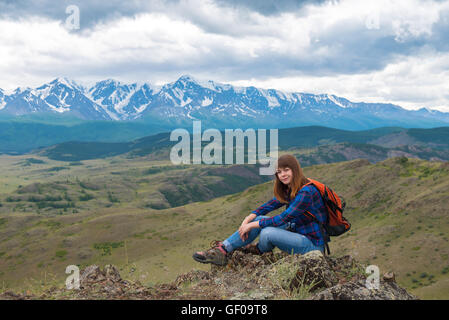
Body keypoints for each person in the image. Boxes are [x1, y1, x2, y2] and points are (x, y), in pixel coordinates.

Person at [192, 154, 328, 266]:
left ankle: (256, 250)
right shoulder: (292, 187)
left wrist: (251, 225)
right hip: (298, 234)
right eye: (279, 172)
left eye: (286, 170)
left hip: (312, 246)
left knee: (267, 233)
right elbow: (271, 204)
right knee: (258, 220)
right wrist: (249, 218)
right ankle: (223, 250)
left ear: (295, 170)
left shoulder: (306, 192)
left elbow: (283, 218)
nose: (282, 175)